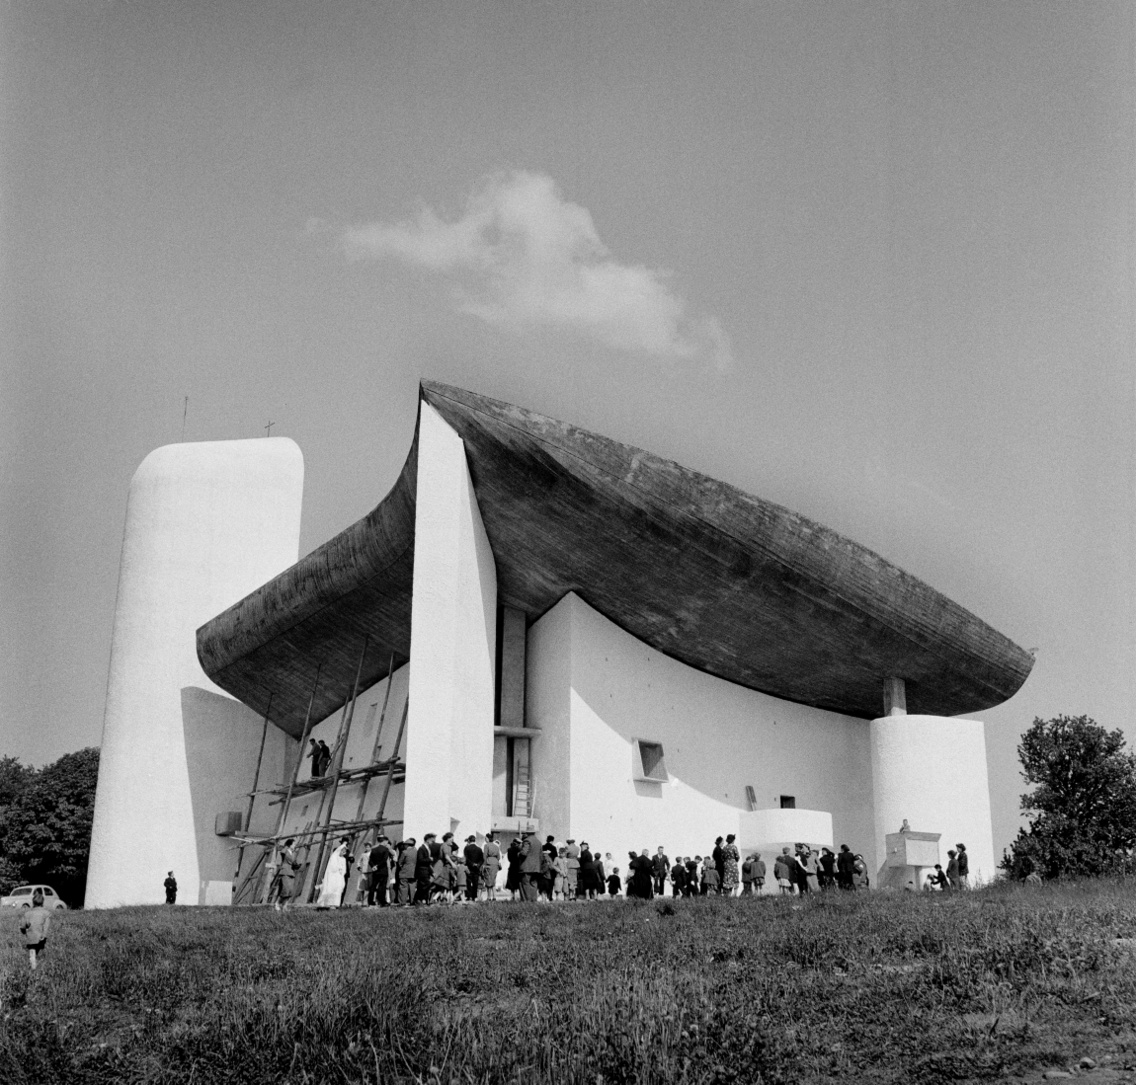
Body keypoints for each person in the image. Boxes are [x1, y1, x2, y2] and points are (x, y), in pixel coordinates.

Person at [19, 889, 51, 971]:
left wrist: (24, 931)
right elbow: (46, 926)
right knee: (40, 949)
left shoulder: (27, 914)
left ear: (33, 903)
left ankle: (33, 965)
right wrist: (44, 935)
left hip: (31, 935)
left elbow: (23, 926)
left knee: (32, 949)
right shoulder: (46, 913)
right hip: (41, 936)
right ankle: (42, 967)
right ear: (42, 903)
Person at [316, 839, 349, 908]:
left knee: (338, 889)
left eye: (344, 852)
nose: (343, 853)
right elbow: (332, 867)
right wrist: (338, 868)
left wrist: (342, 871)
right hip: (333, 875)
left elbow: (344, 869)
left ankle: (335, 904)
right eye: (342, 851)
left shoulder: (343, 859)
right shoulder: (334, 857)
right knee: (331, 889)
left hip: (339, 876)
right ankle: (328, 903)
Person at [367, 835, 395, 907]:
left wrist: (373, 866)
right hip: (383, 870)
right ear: (384, 841)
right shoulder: (385, 849)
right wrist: (378, 866)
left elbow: (370, 860)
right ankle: (382, 901)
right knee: (382, 886)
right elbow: (384, 860)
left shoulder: (373, 849)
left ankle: (370, 901)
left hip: (375, 871)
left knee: (373, 885)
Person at [275, 840, 299, 911]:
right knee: (285, 889)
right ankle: (277, 903)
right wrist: (286, 846)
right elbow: (282, 851)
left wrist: (297, 865)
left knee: (290, 890)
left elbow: (294, 862)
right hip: (285, 871)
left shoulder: (293, 853)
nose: (295, 845)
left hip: (291, 872)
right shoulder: (285, 851)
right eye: (293, 844)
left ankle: (285, 906)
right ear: (290, 845)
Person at [519, 830, 542, 901]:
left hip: (527, 866)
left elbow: (524, 853)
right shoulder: (539, 842)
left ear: (527, 833)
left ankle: (527, 901)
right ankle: (533, 900)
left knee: (525, 883)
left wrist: (518, 854)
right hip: (536, 867)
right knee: (534, 883)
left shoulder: (527, 841)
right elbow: (541, 856)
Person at [414, 834, 436, 904]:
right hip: (422, 870)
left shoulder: (427, 849)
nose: (433, 843)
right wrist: (429, 859)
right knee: (424, 885)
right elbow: (420, 860)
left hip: (426, 870)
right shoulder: (421, 849)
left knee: (424, 885)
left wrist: (432, 872)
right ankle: (418, 899)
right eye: (432, 841)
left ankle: (421, 899)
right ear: (428, 840)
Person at [396, 838, 417, 905]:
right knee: (412, 887)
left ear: (407, 845)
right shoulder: (416, 851)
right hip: (414, 872)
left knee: (403, 887)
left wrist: (402, 867)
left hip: (404, 872)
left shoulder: (404, 852)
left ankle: (402, 902)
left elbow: (400, 862)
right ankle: (412, 901)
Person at [463, 836, 484, 901]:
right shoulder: (479, 849)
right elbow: (482, 859)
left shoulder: (467, 848)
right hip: (476, 868)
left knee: (468, 882)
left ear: (469, 840)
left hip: (469, 867)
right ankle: (474, 897)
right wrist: (478, 865)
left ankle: (468, 896)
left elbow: (466, 858)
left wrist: (472, 864)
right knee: (475, 883)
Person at [483, 833, 502, 901]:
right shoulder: (496, 846)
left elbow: (485, 855)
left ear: (488, 839)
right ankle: (494, 896)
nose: (485, 839)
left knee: (488, 880)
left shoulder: (486, 845)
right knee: (493, 880)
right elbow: (499, 857)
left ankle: (489, 897)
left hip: (489, 863)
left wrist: (484, 864)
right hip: (495, 863)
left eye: (486, 838)